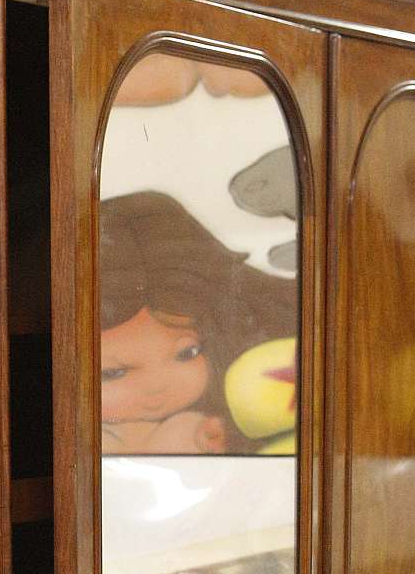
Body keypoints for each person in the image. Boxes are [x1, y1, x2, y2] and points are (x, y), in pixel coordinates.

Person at [100, 191, 296, 455]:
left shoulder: (244, 396)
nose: (157, 387)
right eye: (112, 373)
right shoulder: (101, 434)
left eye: (186, 353)